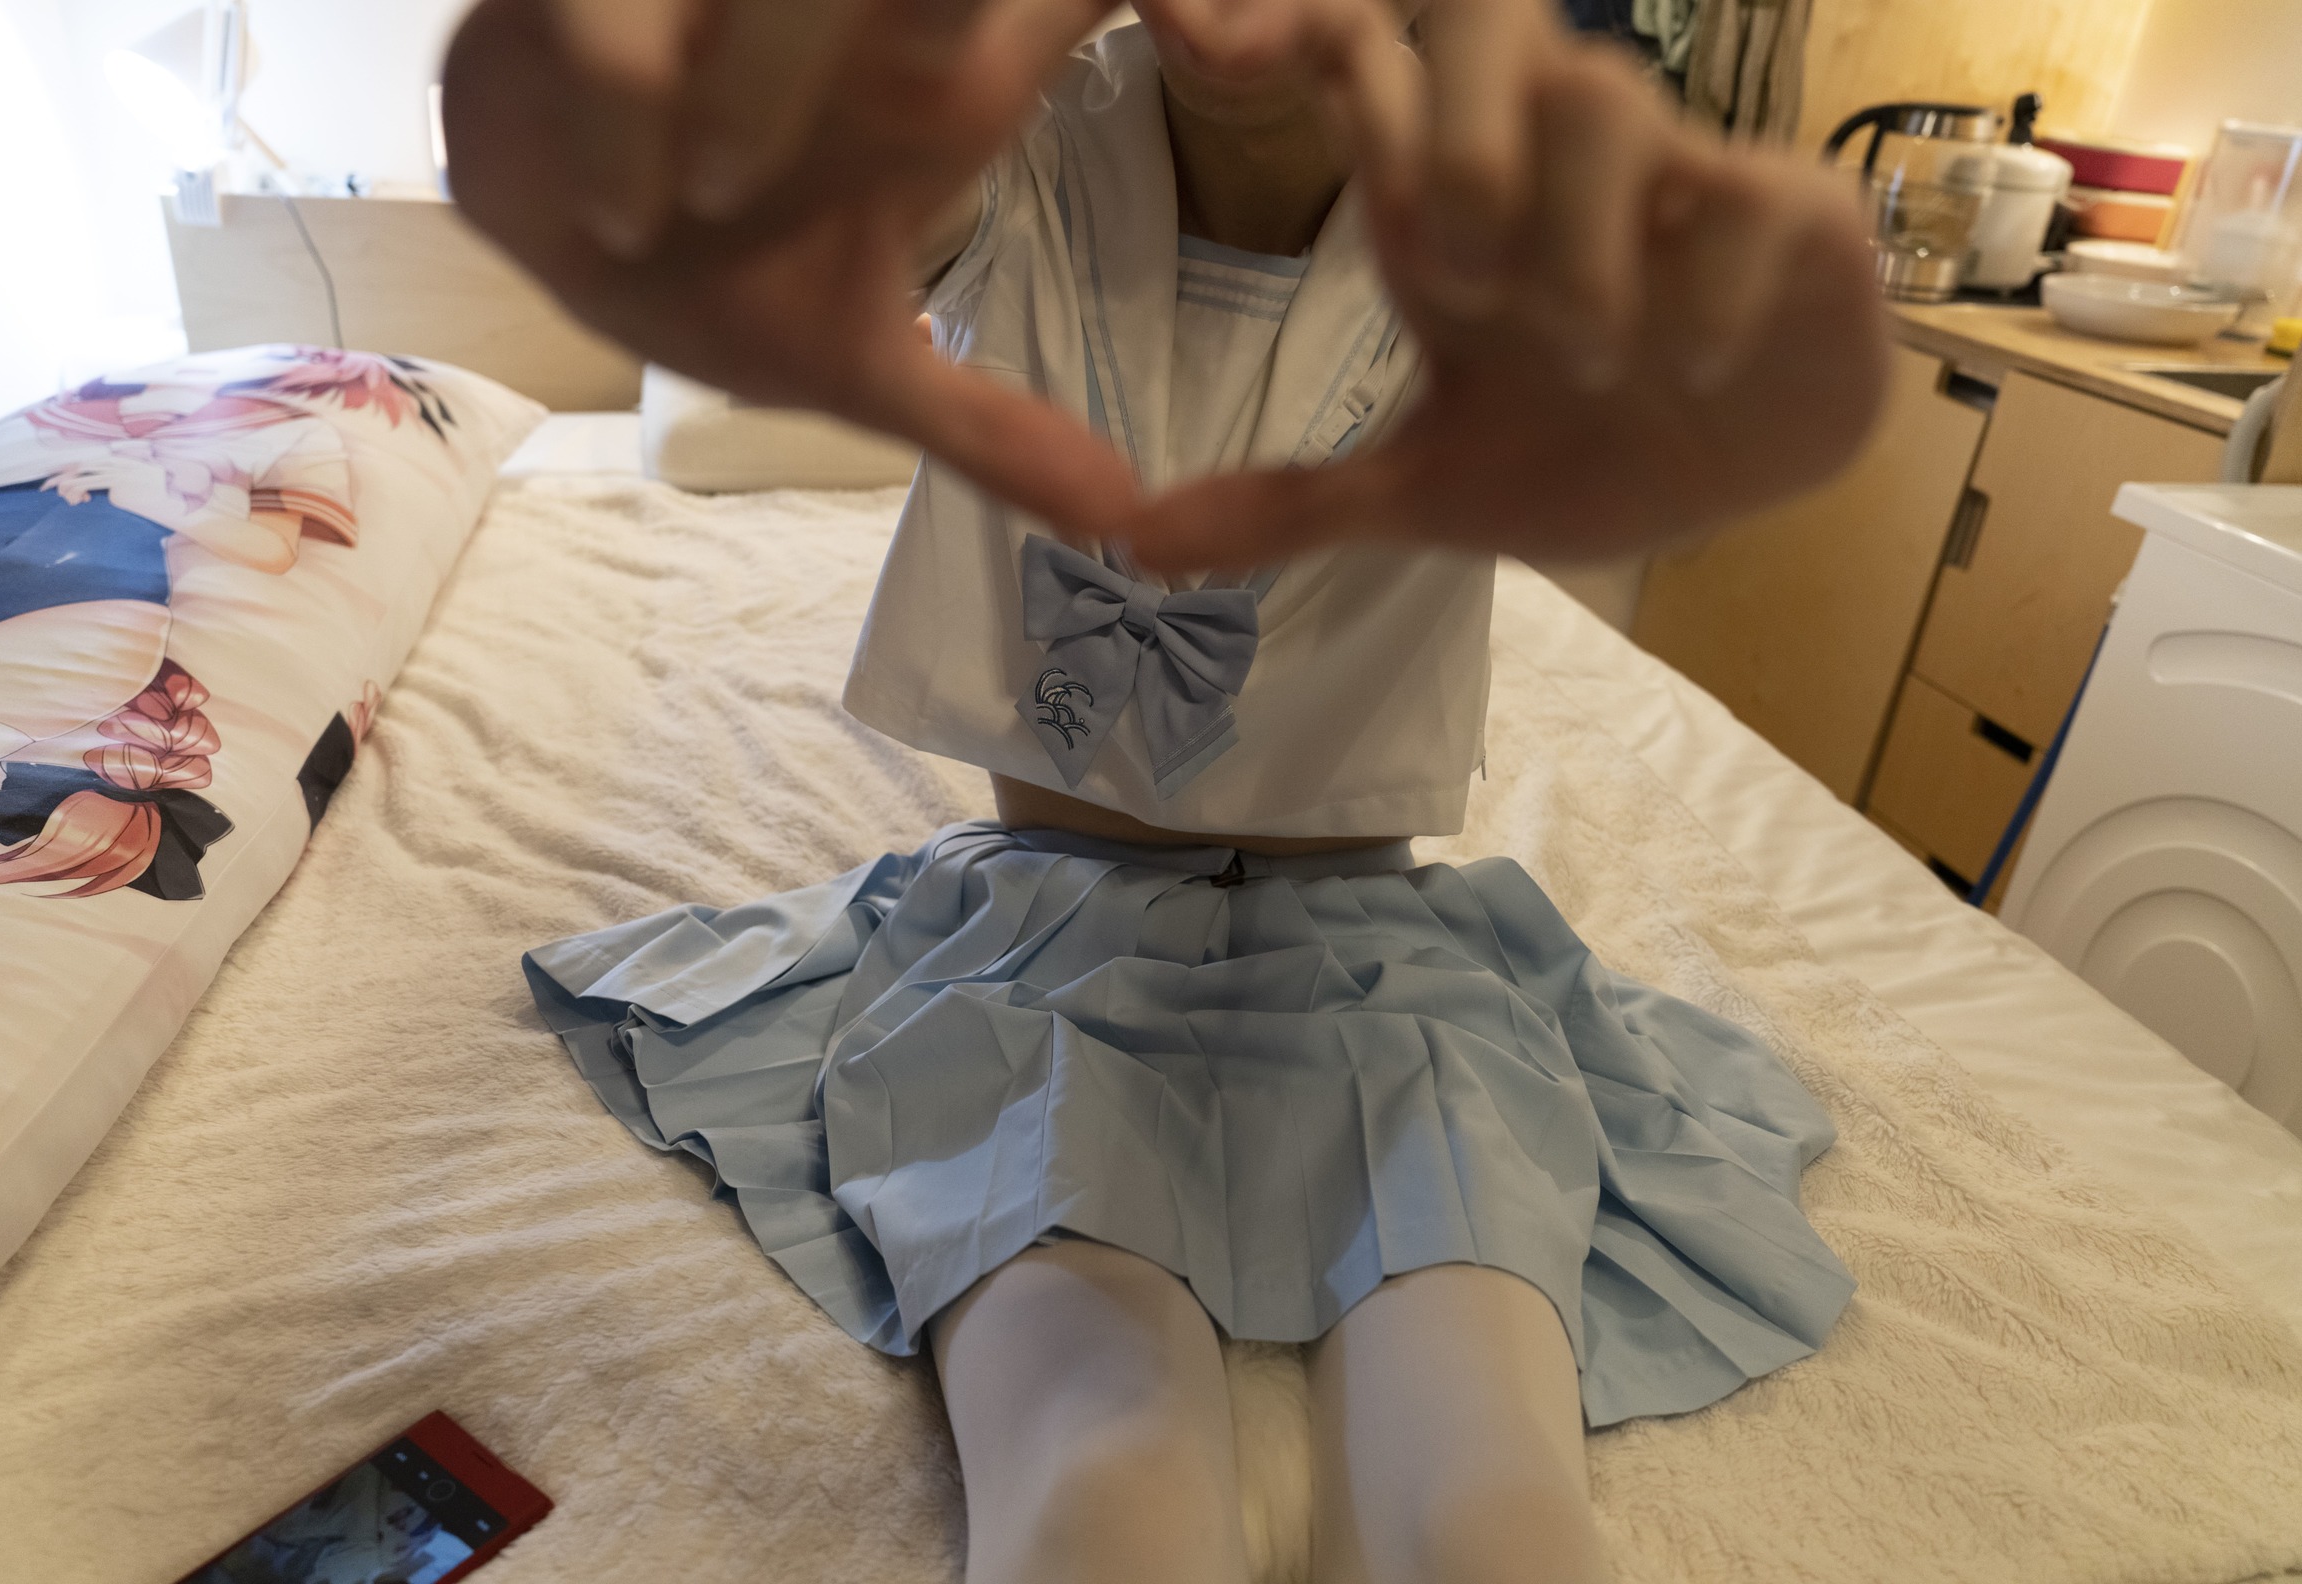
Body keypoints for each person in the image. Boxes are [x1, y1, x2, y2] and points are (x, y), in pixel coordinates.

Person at [451, 3, 1879, 1580]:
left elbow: (1665, 363)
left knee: (1496, 1516)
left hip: (1385, 970)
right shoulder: (1010, 150)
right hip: (1039, 960)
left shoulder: (1500, 212)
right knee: (1100, 1481)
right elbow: (809, 179)